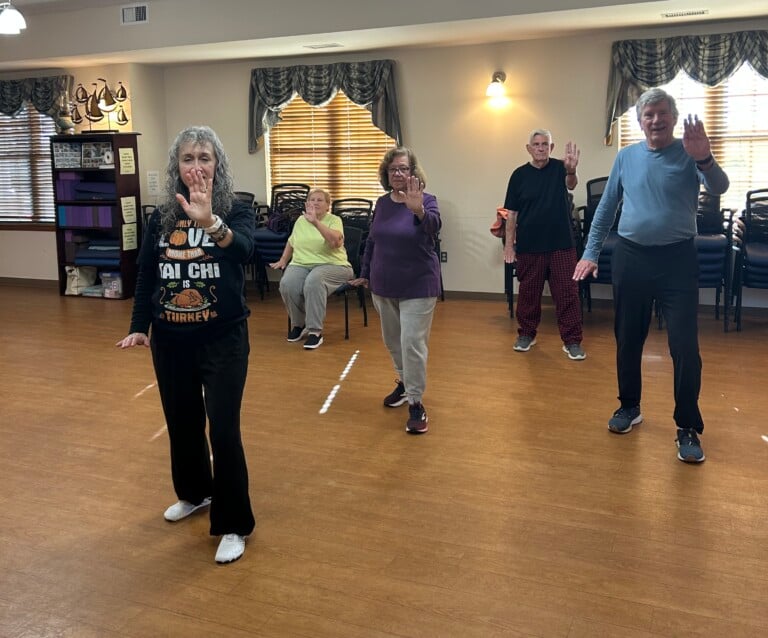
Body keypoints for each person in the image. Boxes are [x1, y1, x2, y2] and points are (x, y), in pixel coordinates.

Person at [116, 126, 256, 563]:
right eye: (188, 158)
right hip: (171, 340)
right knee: (182, 422)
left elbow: (244, 252)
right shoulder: (161, 216)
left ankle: (234, 523)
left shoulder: (236, 208)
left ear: (218, 164)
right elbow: (147, 272)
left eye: (204, 158)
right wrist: (140, 325)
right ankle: (196, 493)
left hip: (223, 338)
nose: (197, 166)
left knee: (224, 430)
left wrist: (209, 222)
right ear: (176, 166)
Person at [573, 88, 729, 463]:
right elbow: (606, 208)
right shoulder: (626, 157)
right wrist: (591, 252)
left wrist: (705, 158)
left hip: (677, 260)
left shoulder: (690, 153)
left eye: (662, 113)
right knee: (628, 339)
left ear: (673, 118)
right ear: (640, 121)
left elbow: (719, 187)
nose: (656, 120)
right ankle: (629, 406)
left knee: (685, 347)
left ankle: (687, 426)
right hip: (631, 257)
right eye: (649, 114)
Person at [350, 147, 441, 434]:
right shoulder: (382, 203)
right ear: (386, 174)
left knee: (412, 343)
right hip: (383, 284)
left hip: (418, 284)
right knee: (393, 341)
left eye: (403, 168)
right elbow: (373, 241)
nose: (398, 173)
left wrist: (418, 211)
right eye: (393, 169)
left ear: (413, 172)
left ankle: (415, 401)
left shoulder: (427, 200)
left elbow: (434, 227)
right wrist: (365, 273)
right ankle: (404, 382)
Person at [503, 129, 585, 360]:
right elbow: (512, 214)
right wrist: (509, 245)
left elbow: (571, 184)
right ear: (529, 148)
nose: (540, 148)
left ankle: (572, 341)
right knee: (528, 294)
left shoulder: (560, 168)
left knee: (567, 294)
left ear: (551, 147)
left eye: (545, 144)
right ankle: (526, 334)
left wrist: (572, 170)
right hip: (530, 245)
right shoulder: (519, 175)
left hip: (561, 244)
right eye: (536, 144)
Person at [269, 189, 353, 349]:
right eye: (312, 199)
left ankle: (315, 331)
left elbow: (335, 243)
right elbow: (291, 241)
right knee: (287, 283)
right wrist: (283, 259)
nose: (315, 202)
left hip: (334, 265)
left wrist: (316, 222)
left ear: (328, 205)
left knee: (314, 281)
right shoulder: (301, 220)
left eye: (320, 200)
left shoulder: (334, 220)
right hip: (301, 264)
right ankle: (299, 325)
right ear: (307, 203)